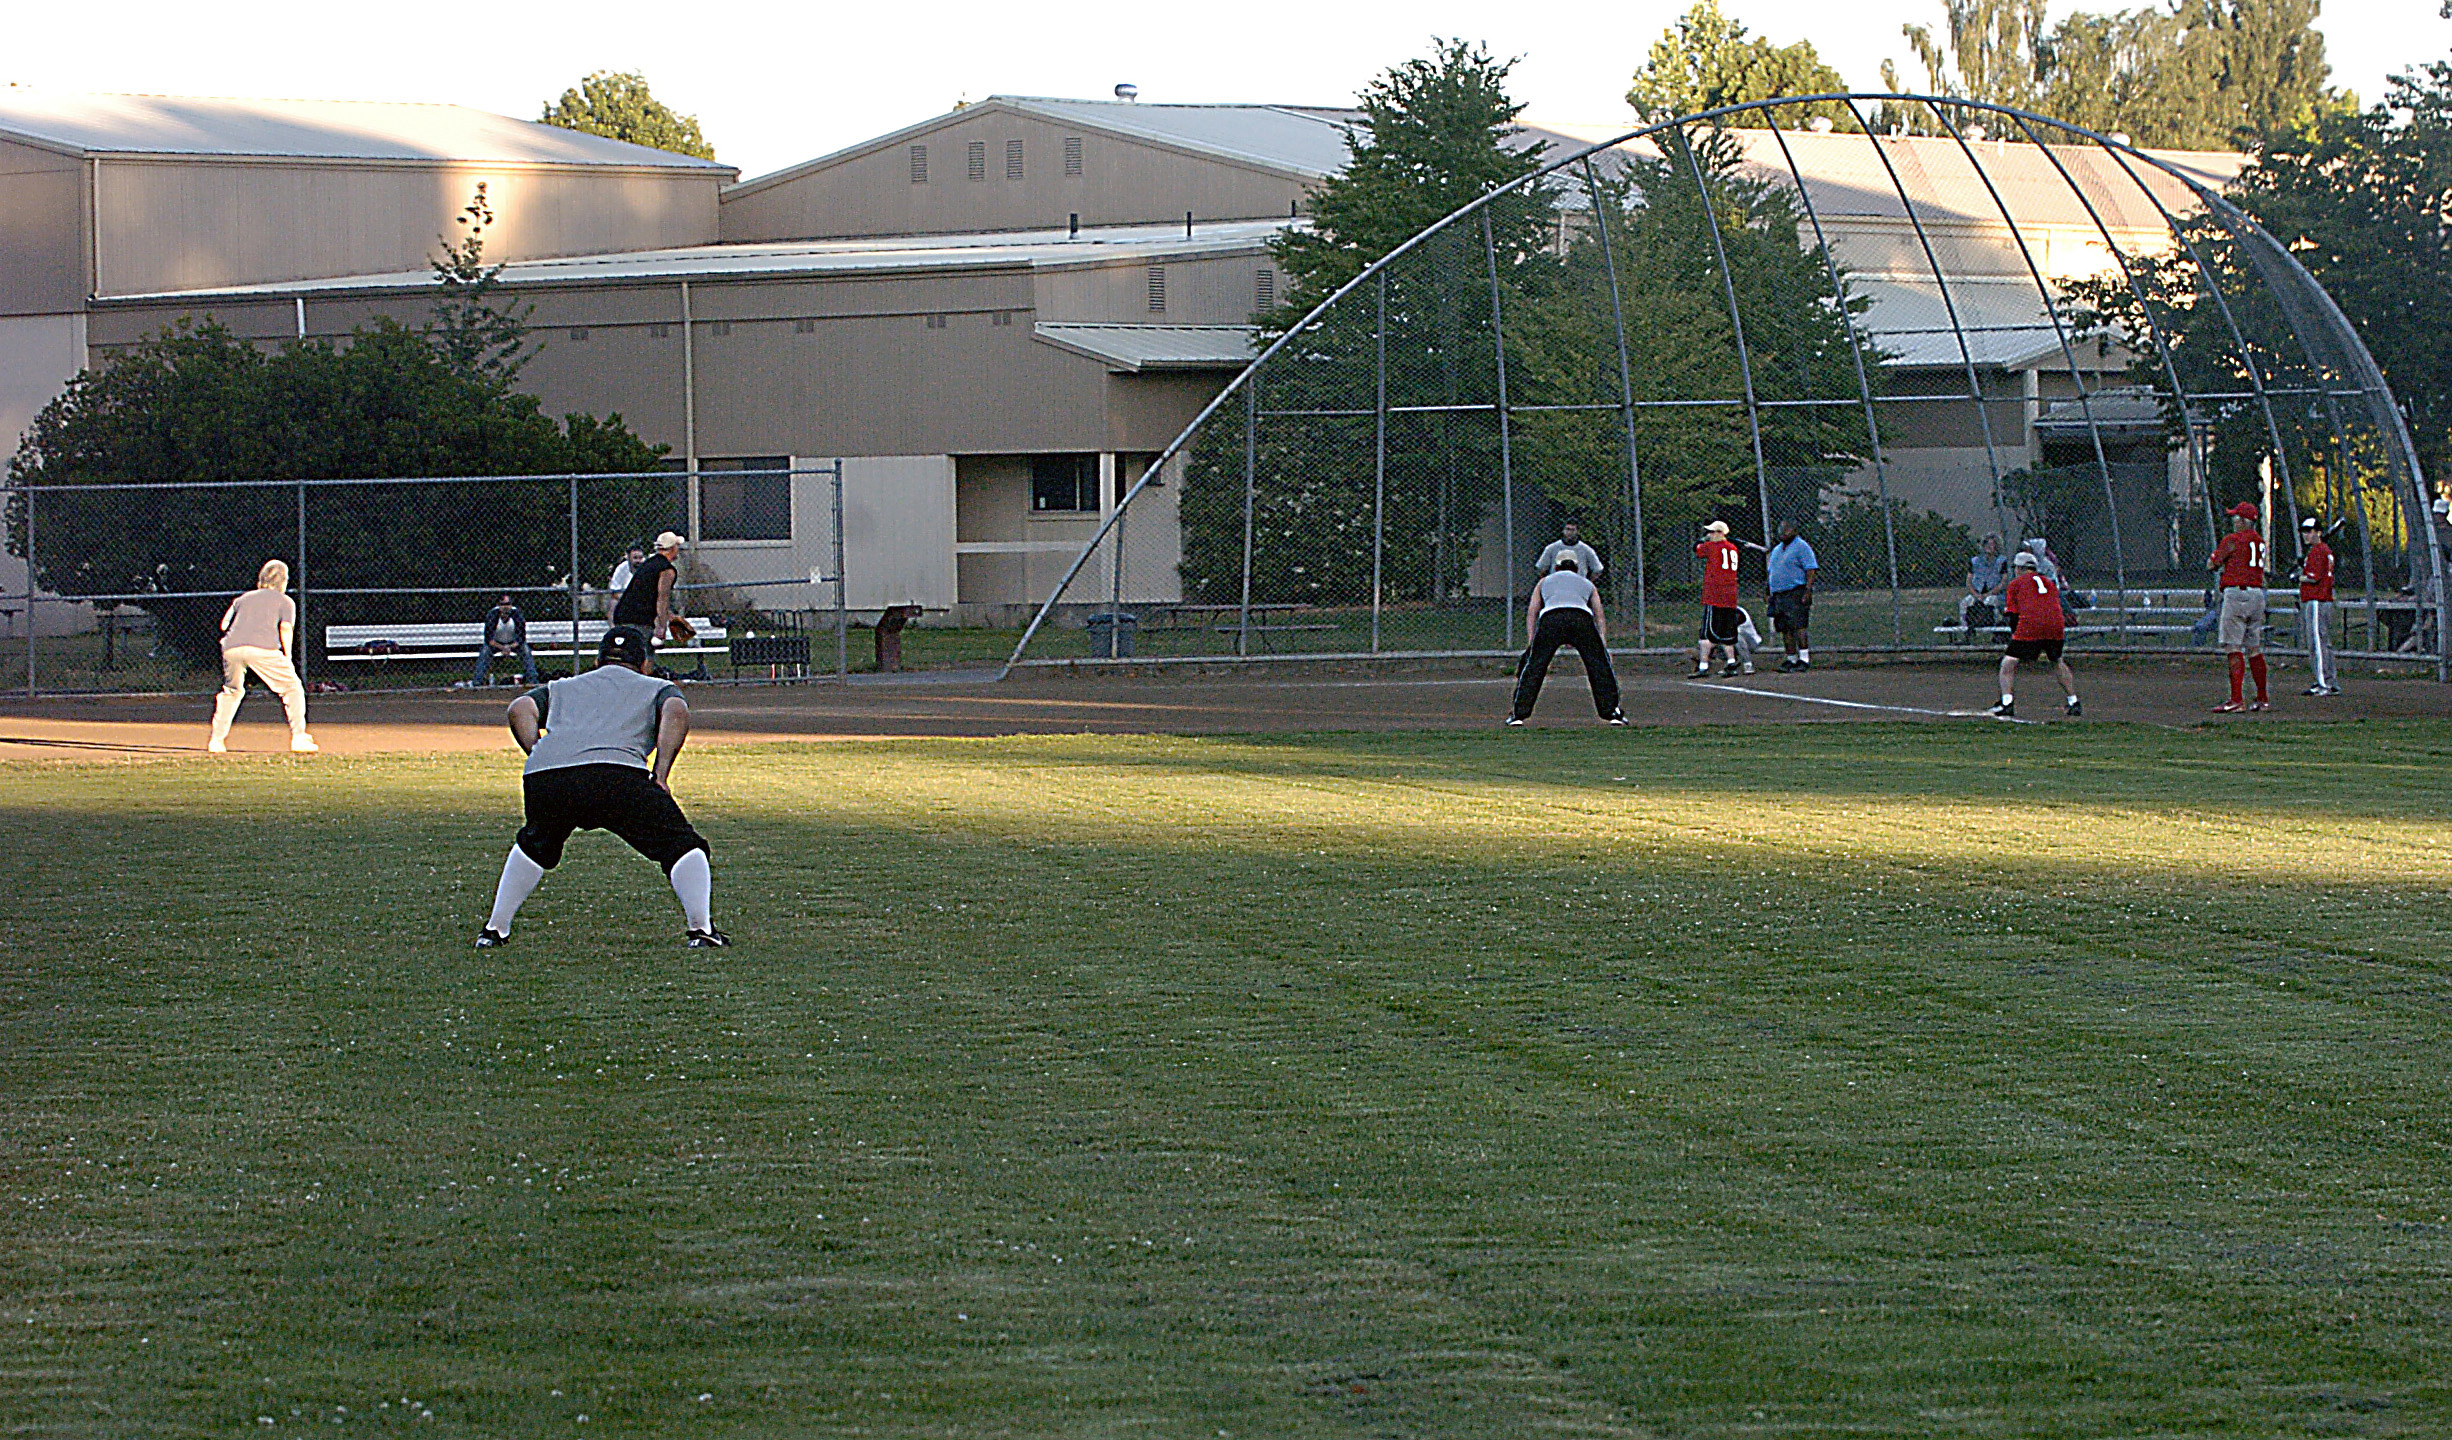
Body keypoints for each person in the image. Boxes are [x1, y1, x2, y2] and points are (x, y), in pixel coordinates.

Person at [474, 625, 727, 949]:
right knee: (681, 844)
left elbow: (519, 709)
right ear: (645, 663)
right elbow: (677, 712)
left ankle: (494, 931)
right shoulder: (656, 686)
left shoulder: (563, 687)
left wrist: (539, 751)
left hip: (548, 776)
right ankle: (701, 931)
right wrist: (661, 775)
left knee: (535, 843)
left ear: (598, 661)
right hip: (616, 774)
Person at [207, 559, 316, 755]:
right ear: (283, 581)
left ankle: (216, 740)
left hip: (231, 647)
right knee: (292, 688)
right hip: (262, 648)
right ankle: (299, 737)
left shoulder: (243, 598)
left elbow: (224, 625)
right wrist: (288, 656)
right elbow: (285, 628)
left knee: (232, 691)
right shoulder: (285, 601)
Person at [1506, 553, 1626, 727]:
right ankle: (1612, 712)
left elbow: (1532, 612)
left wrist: (1532, 642)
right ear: (1577, 568)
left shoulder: (1544, 582)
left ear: (1555, 567)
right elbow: (1599, 616)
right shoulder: (1587, 583)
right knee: (1598, 666)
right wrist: (1602, 645)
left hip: (1551, 619)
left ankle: (1518, 714)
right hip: (1581, 618)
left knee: (1535, 666)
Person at [1991, 550, 2081, 720]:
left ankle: (2007, 703)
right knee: (2057, 661)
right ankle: (2073, 701)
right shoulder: (2049, 582)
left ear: (2020, 568)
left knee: (2008, 663)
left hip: (2031, 624)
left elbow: (2012, 614)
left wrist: (2017, 638)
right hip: (2055, 626)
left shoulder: (2016, 584)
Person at [2209, 500, 2271, 713]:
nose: (2234, 520)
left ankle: (2236, 699)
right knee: (2253, 648)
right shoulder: (2260, 540)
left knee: (2232, 646)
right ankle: (2262, 698)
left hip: (2237, 594)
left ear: (2244, 521)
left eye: (2237, 517)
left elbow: (2213, 563)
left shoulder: (2233, 539)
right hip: (2256, 594)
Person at [1694, 520, 1749, 677]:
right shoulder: (1733, 548)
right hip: (1730, 595)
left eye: (1712, 532)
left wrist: (1703, 541)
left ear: (1720, 533)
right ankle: (1731, 662)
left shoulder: (1711, 547)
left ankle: (1703, 666)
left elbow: (1697, 550)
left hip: (1715, 595)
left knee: (1706, 634)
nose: (1709, 535)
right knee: (1728, 634)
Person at [614, 531, 690, 645]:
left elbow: (648, 596)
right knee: (645, 656)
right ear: (672, 548)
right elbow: (662, 598)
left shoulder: (648, 564)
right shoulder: (666, 570)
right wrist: (661, 628)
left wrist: (670, 617)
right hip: (639, 621)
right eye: (677, 546)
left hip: (622, 615)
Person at [1764, 519, 1819, 671]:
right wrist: (1768, 590)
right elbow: (1771, 572)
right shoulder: (1777, 550)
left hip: (1795, 591)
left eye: (1786, 530)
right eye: (1781, 530)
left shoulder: (1801, 547)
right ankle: (1791, 659)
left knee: (1798, 625)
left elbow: (1811, 569)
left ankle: (1804, 659)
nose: (1783, 533)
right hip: (1779, 594)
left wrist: (1807, 590)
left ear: (1794, 531)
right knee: (1785, 628)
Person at [2296, 515, 2338, 696]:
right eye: (2304, 532)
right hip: (2322, 600)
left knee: (2317, 643)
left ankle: (2324, 683)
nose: (2306, 535)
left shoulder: (2317, 551)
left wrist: (2298, 577)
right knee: (2322, 641)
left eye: (2309, 531)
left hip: (2316, 600)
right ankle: (2328, 680)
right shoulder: (2322, 550)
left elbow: (2313, 578)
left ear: (2318, 533)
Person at [467, 595, 539, 688]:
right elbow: (488, 639)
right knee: (485, 651)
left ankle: (533, 681)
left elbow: (521, 638)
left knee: (526, 650)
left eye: (508, 604)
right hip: (496, 644)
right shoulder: (492, 616)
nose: (505, 607)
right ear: (498, 606)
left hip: (513, 644)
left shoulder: (517, 615)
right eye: (503, 604)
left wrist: (510, 647)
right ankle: (477, 682)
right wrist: (502, 647)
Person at [1962, 534, 2008, 632]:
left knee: (1990, 601)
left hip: (1995, 594)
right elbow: (1969, 580)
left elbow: (2003, 582)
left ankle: (1995, 630)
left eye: (1992, 544)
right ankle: (1966, 630)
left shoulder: (2001, 561)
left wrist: (1988, 594)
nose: (1988, 546)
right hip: (1977, 592)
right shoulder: (1975, 561)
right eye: (1987, 544)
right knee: (1965, 602)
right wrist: (1976, 594)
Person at [1534, 520, 1603, 583]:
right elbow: (1541, 569)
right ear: (1563, 531)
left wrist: (1587, 584)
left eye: (1573, 530)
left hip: (1577, 585)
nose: (1569, 533)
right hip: (1556, 585)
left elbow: (1597, 570)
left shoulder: (1586, 549)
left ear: (1578, 531)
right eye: (1567, 529)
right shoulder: (1552, 548)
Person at [605, 545, 645, 618]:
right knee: (613, 603)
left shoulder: (647, 567)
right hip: (625, 599)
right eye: (635, 558)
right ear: (628, 557)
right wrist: (629, 601)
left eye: (640, 558)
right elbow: (615, 592)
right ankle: (614, 628)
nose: (638, 561)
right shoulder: (621, 568)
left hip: (643, 600)